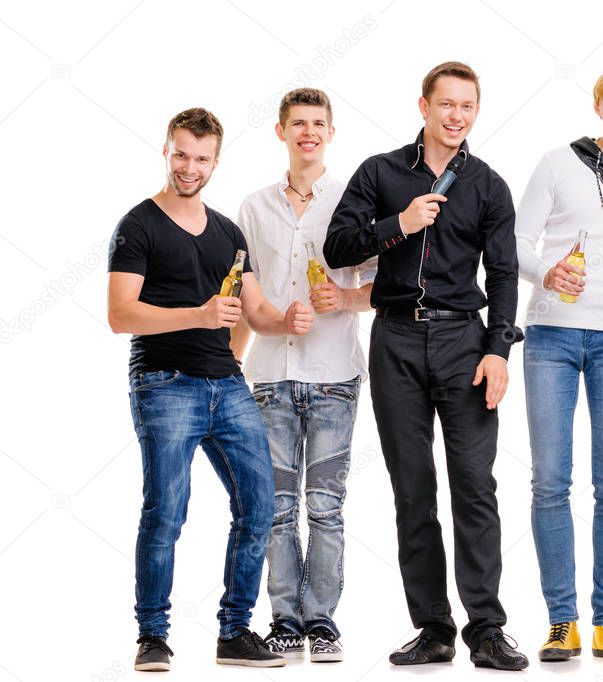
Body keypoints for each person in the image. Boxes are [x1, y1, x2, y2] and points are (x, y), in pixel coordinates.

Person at [321, 61, 528, 671]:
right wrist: (400, 224)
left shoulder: (489, 185)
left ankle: (487, 628)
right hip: (397, 343)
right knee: (412, 489)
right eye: (446, 104)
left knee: (475, 486)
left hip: (466, 344)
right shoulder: (380, 172)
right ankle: (434, 627)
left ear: (475, 112)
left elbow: (506, 275)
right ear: (424, 106)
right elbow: (338, 247)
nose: (456, 116)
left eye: (467, 106)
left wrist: (497, 351)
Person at [108, 108, 313, 671]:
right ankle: (153, 636)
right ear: (166, 151)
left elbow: (256, 312)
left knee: (260, 505)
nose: (189, 167)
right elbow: (120, 315)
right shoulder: (138, 225)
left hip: (227, 384)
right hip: (164, 384)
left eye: (201, 158)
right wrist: (195, 317)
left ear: (216, 161)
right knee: (167, 511)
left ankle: (234, 631)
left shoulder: (227, 231)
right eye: (181, 154)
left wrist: (285, 319)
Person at [514, 65, 603, 662]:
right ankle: (561, 621)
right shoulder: (556, 162)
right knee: (550, 481)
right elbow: (515, 242)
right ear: (598, 104)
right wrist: (546, 272)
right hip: (551, 334)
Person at [229, 88, 375, 663]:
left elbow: (381, 287)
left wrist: (343, 298)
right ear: (281, 132)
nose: (308, 132)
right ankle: (284, 618)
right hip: (270, 375)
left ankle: (322, 621)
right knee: (276, 506)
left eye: (318, 123)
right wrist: (238, 353)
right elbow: (247, 290)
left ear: (331, 133)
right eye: (298, 123)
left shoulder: (352, 201)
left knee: (325, 505)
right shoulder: (253, 207)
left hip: (335, 373)